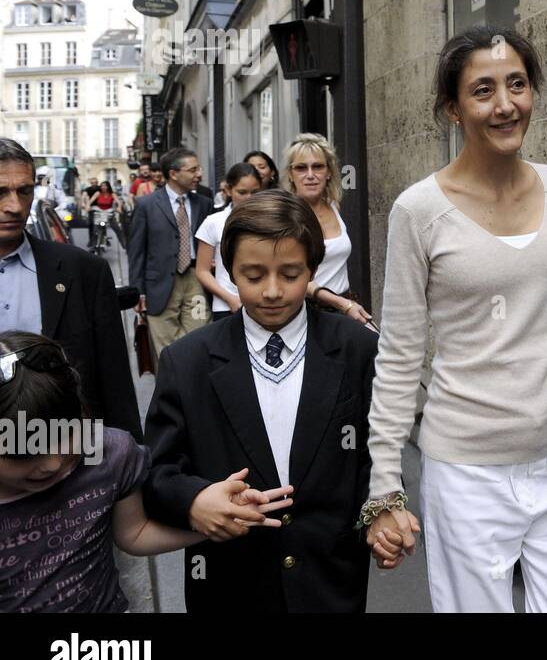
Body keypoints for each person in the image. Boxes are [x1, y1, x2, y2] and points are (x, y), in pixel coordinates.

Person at [365, 27, 547, 613]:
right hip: (466, 469)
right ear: (453, 108)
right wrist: (384, 486)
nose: (505, 105)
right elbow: (398, 355)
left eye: (517, 84)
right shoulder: (419, 211)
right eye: (483, 90)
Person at [143, 191, 378, 612]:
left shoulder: (356, 348)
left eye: (290, 274)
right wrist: (195, 500)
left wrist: (379, 512)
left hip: (330, 582)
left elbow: (373, 453)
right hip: (230, 584)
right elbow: (158, 473)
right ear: (228, 271)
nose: (272, 291)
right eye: (253, 275)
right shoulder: (187, 361)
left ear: (313, 270)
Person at [0, 331, 289, 612]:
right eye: (24, 452)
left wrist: (216, 518)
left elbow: (135, 534)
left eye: (65, 437)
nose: (51, 463)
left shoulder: (110, 455)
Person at [0, 139, 141, 440]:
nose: (13, 206)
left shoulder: (84, 271)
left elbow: (114, 385)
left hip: (68, 457)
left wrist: (127, 473)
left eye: (24, 191)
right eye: (0, 192)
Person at [127, 147, 213, 354]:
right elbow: (137, 251)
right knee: (166, 349)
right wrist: (138, 292)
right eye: (192, 170)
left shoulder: (204, 203)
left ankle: (191, 383)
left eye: (198, 168)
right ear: (173, 174)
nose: (199, 174)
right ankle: (173, 385)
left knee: (198, 340)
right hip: (159, 284)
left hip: (197, 280)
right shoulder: (146, 205)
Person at [283, 133, 370, 325]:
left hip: (344, 306)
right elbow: (291, 276)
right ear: (290, 174)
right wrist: (342, 304)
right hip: (305, 313)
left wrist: (345, 305)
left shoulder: (333, 206)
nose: (310, 175)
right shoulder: (286, 217)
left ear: (329, 172)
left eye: (318, 166)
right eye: (301, 168)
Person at [194, 162, 263, 316]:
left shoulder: (270, 219)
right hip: (227, 306)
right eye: (242, 192)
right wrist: (230, 299)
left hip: (264, 303)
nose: (249, 198)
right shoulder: (214, 222)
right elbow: (202, 271)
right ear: (228, 190)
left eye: (255, 192)